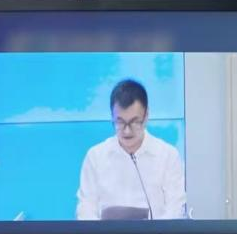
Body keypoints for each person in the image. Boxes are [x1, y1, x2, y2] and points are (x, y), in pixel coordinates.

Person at [76, 79, 186, 221]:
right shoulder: (95, 157)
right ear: (112, 117)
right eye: (120, 122)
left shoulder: (168, 156)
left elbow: (175, 210)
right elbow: (86, 210)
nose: (127, 131)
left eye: (134, 122)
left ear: (146, 116)